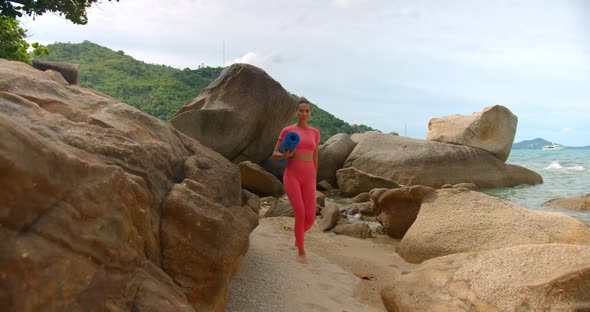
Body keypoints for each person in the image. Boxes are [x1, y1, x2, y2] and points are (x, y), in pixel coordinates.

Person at [272, 97, 320, 264]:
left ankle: (297, 235)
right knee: (300, 213)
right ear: (296, 112)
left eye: (307, 111)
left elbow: (315, 157)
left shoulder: (315, 132)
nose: (304, 113)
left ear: (310, 113)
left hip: (309, 177)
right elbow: (275, 154)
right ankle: (301, 250)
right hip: (292, 175)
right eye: (301, 110)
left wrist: (315, 177)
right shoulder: (287, 131)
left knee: (311, 218)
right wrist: (285, 155)